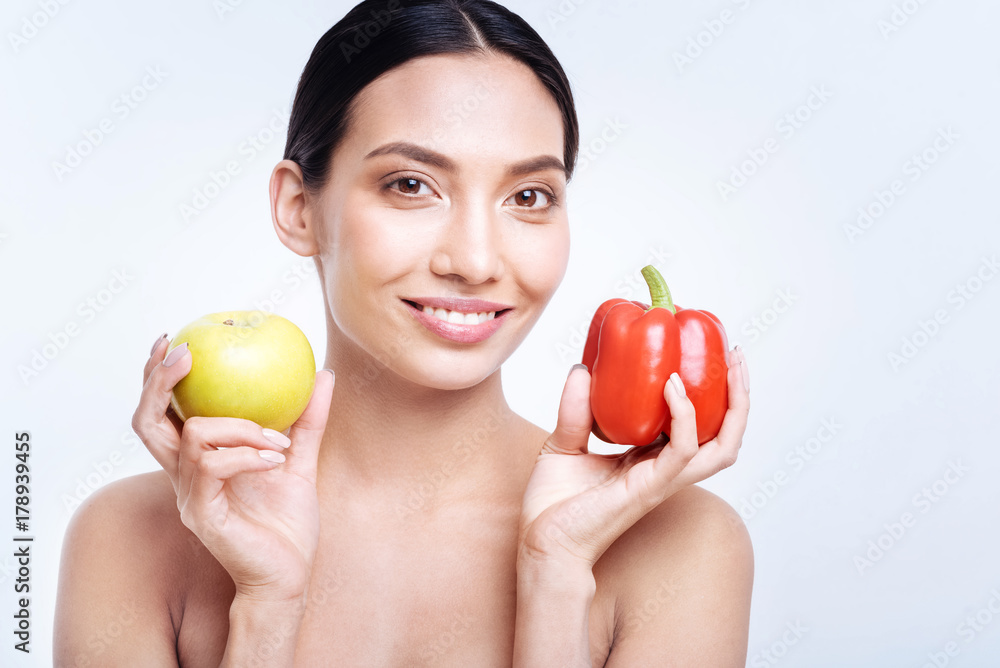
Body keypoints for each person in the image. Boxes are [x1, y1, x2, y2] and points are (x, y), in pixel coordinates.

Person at [54, 0, 753, 665]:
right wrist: (266, 604)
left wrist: (556, 576)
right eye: (412, 185)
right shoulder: (129, 540)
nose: (475, 261)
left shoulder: (680, 543)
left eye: (528, 196)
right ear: (300, 209)